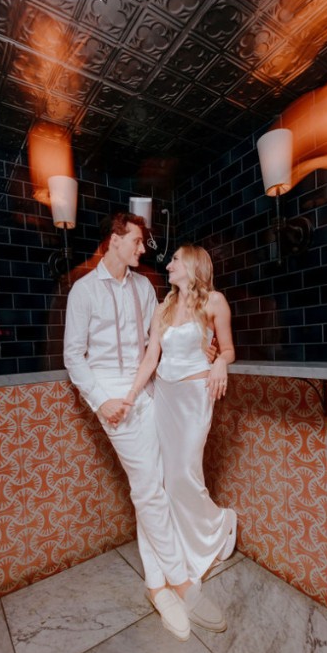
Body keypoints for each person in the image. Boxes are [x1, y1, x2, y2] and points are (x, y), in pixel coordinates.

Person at [64, 214, 226, 642]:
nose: (143, 250)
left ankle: (156, 586)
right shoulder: (83, 291)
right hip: (114, 399)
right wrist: (103, 401)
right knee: (148, 488)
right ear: (115, 240)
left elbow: (155, 346)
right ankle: (181, 582)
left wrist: (209, 350)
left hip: (148, 392)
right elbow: (73, 356)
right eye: (137, 242)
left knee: (154, 486)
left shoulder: (144, 289)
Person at [123, 245, 238, 586]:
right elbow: (150, 360)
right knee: (169, 478)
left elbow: (229, 349)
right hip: (165, 398)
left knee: (185, 474)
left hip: (195, 397)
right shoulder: (163, 308)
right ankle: (187, 545)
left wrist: (219, 362)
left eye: (174, 259)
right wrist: (130, 397)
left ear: (191, 264)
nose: (168, 264)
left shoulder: (214, 301)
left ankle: (221, 523)